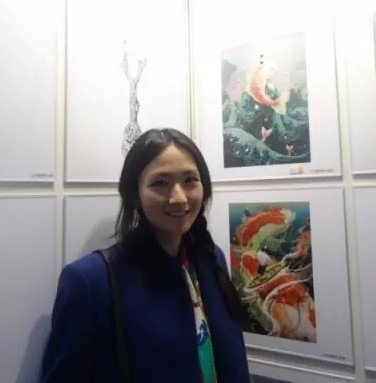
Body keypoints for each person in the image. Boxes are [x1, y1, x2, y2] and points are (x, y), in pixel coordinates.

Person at [40, 128, 250, 382]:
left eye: (190, 180)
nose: (179, 197)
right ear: (134, 194)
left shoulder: (210, 259)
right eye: (160, 183)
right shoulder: (90, 281)